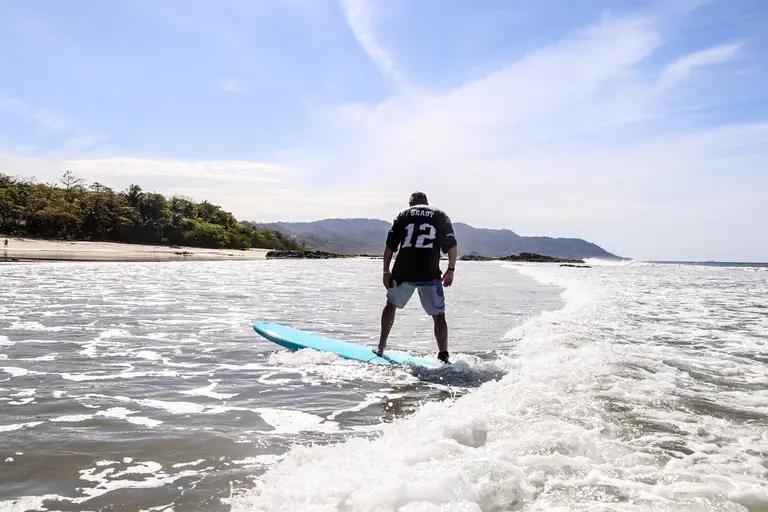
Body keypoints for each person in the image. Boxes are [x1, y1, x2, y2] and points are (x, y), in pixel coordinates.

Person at [374, 192, 458, 363]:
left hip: (404, 271)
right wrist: (451, 269)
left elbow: (390, 247)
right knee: (439, 315)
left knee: (391, 305)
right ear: (427, 202)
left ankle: (381, 347)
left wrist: (385, 271)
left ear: (411, 203)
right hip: (430, 272)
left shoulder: (404, 215)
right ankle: (443, 355)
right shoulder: (441, 216)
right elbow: (452, 246)